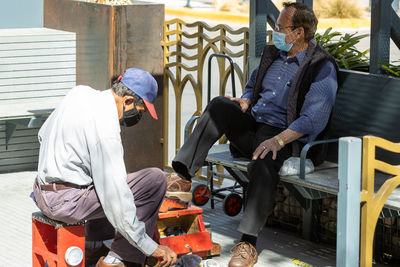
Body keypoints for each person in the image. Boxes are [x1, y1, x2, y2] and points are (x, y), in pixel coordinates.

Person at [166, 2, 338, 267]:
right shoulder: (273, 54)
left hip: (286, 137)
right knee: (219, 106)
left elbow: (314, 119)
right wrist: (246, 100)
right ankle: (184, 177)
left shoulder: (321, 66)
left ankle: (247, 245)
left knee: (263, 163)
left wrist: (278, 140)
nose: (275, 33)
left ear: (299, 33)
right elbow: (252, 85)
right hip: (255, 123)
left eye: (281, 28)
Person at [32, 68, 177, 267]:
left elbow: (42, 133)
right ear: (127, 101)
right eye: (139, 112)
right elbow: (115, 196)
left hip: (42, 191)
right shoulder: (106, 129)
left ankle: (94, 245)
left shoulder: (79, 93)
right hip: (65, 203)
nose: (136, 118)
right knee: (154, 180)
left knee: (97, 176)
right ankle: (119, 259)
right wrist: (148, 245)